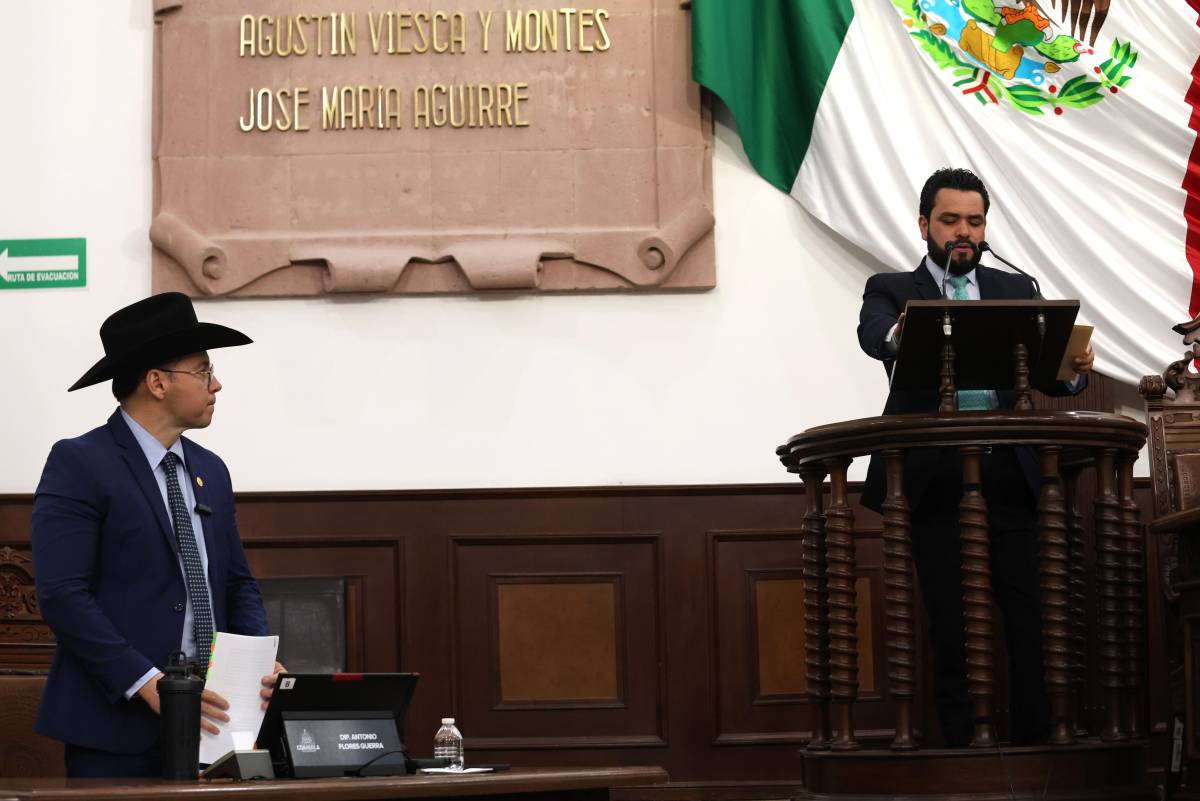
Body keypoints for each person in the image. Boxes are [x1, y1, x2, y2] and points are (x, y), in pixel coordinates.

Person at [856, 167, 1094, 747]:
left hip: (1011, 476)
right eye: (950, 220)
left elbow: (1053, 375)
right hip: (936, 479)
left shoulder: (1016, 288)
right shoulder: (892, 288)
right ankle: (964, 753)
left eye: (974, 220)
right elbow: (875, 336)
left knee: (1033, 620)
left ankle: (1038, 751)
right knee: (953, 625)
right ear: (924, 226)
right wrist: (900, 334)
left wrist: (1074, 372)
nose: (964, 231)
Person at [32, 292, 283, 777]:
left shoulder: (212, 470)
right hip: (114, 727)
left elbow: (237, 584)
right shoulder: (80, 462)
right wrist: (146, 683)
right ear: (157, 382)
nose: (217, 384)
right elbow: (62, 595)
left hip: (216, 723)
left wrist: (259, 663)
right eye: (204, 371)